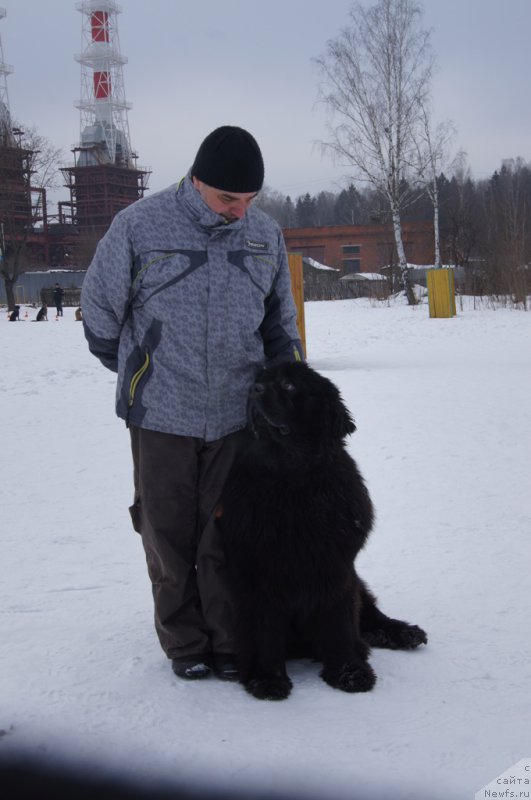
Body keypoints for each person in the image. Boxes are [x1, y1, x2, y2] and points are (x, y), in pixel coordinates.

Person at [81, 126, 304, 682]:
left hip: (237, 412)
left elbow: (280, 322)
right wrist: (140, 370)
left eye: (250, 200)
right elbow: (101, 314)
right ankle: (185, 644)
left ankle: (232, 642)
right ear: (196, 180)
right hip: (160, 411)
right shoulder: (139, 225)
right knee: (167, 530)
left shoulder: (264, 236)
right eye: (229, 198)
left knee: (228, 531)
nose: (239, 211)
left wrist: (285, 381)